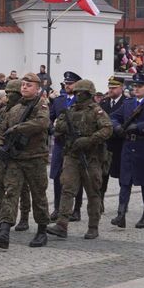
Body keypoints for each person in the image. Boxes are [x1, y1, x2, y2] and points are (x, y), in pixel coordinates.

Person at [0, 73, 51, 249]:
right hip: (15, 158)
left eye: (29, 85)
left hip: (35, 158)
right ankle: (4, 232)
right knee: (11, 193)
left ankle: (42, 231)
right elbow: (2, 129)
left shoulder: (41, 105)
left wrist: (18, 128)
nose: (24, 87)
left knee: (38, 195)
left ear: (37, 88)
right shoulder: (14, 109)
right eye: (23, 84)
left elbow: (42, 123)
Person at [47, 80, 113, 240]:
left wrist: (89, 140)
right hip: (72, 155)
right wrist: (64, 128)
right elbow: (58, 125)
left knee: (93, 192)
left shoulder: (96, 111)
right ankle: (62, 224)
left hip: (91, 157)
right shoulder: (69, 110)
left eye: (80, 93)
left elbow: (107, 129)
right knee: (67, 188)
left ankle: (93, 227)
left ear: (88, 93)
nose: (76, 95)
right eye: (75, 92)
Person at [110, 73, 144, 229]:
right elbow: (113, 117)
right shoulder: (128, 103)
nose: (136, 89)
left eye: (139, 86)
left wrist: (141, 126)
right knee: (125, 182)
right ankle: (121, 214)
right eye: (134, 86)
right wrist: (117, 126)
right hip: (128, 146)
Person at [0, 79, 32, 233]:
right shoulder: (3, 110)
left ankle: (24, 217)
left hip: (20, 154)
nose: (9, 96)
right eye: (8, 93)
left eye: (13, 93)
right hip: (3, 153)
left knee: (22, 188)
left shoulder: (26, 110)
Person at [49, 71, 84, 221]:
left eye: (70, 83)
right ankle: (57, 207)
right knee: (58, 176)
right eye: (66, 83)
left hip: (75, 144)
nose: (67, 86)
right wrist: (52, 129)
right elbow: (49, 119)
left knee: (77, 177)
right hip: (60, 144)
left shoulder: (82, 101)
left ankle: (76, 209)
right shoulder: (59, 101)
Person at [99, 76, 127, 211]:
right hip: (105, 144)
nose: (111, 90)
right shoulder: (103, 103)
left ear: (121, 88)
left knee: (123, 175)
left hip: (120, 144)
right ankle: (100, 201)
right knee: (102, 175)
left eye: (114, 88)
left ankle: (123, 203)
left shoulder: (127, 103)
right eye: (109, 87)